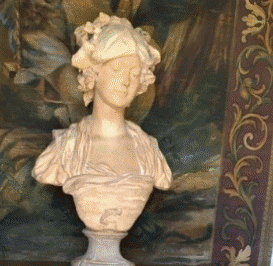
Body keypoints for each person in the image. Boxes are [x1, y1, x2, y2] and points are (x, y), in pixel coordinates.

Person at [33, 12, 172, 230]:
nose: (126, 81)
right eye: (117, 69)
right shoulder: (66, 148)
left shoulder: (149, 151)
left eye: (134, 74)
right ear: (94, 73)